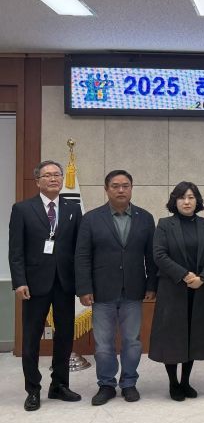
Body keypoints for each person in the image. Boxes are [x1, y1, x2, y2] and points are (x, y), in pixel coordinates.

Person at [75, 170, 158, 405]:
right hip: (101, 292)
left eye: (125, 185)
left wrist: (152, 284)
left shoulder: (145, 218)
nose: (121, 190)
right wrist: (84, 288)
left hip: (134, 291)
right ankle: (106, 384)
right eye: (115, 186)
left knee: (132, 341)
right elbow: (82, 256)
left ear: (131, 188)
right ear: (106, 189)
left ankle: (129, 383)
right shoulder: (91, 219)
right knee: (103, 345)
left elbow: (151, 256)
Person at [9, 160, 83, 411]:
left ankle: (59, 385)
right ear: (37, 181)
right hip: (34, 284)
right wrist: (19, 281)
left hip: (65, 283)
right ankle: (33, 390)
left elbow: (79, 249)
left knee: (65, 336)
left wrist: (82, 283)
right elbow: (16, 250)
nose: (53, 178)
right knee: (31, 338)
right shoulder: (22, 209)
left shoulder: (73, 208)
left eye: (57, 174)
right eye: (47, 175)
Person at [149, 181, 204, 401]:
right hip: (172, 288)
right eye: (182, 197)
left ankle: (186, 381)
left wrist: (202, 278)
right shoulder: (164, 224)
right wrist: (185, 275)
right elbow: (159, 255)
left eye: (191, 197)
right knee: (172, 336)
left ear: (197, 201)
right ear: (175, 201)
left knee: (193, 335)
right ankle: (173, 383)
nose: (187, 202)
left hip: (198, 289)